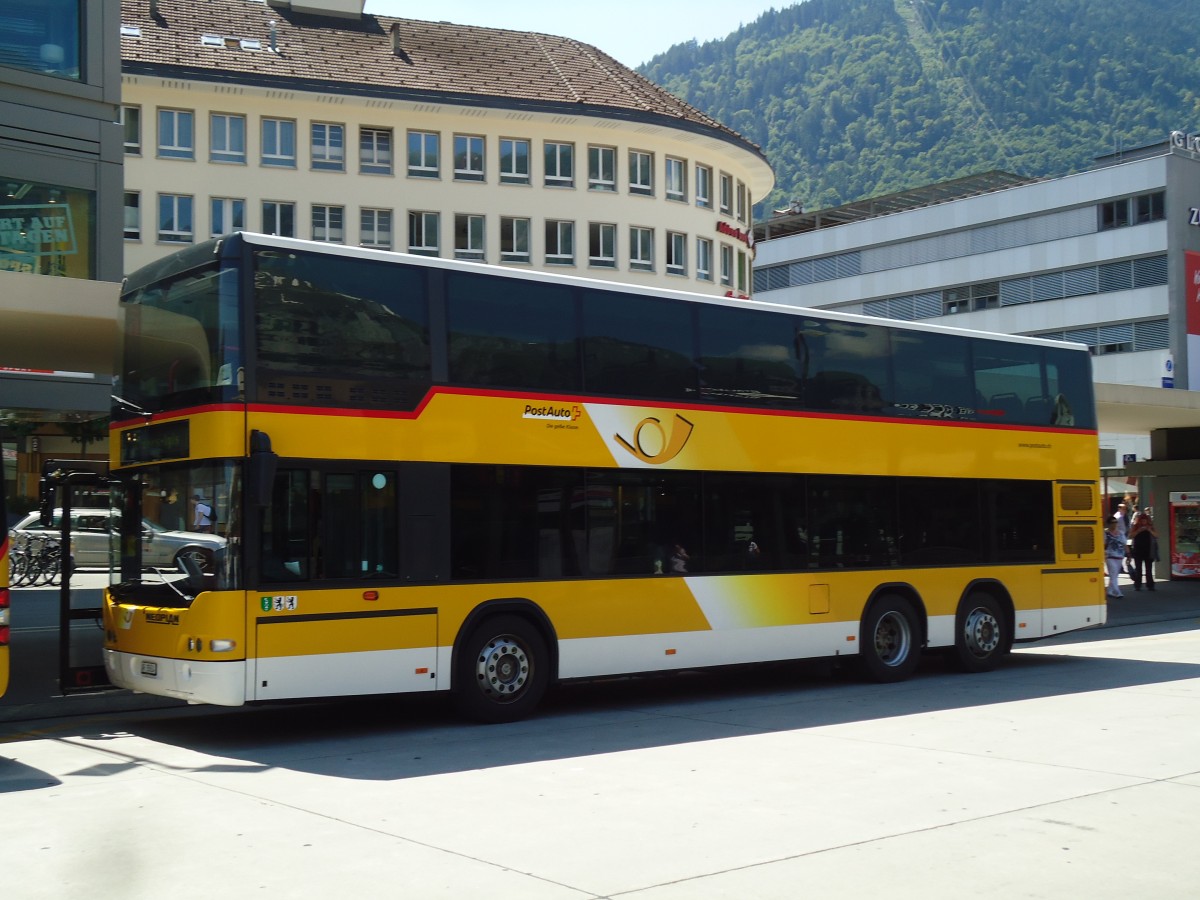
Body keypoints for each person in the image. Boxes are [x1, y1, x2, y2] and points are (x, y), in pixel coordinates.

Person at [1128, 512, 1158, 592]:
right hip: (1138, 550)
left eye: (1145, 520)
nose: (1143, 522)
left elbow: (1156, 535)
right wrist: (1139, 530)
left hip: (1148, 550)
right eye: (1142, 520)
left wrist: (1149, 530)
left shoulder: (1150, 526)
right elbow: (1130, 536)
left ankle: (1150, 585)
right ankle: (1137, 585)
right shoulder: (1135, 526)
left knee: (1149, 569)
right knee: (1139, 569)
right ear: (1139, 521)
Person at [1104, 519, 1125, 599]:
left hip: (1119, 556)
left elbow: (1124, 544)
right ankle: (1117, 592)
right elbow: (1103, 545)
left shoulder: (1121, 533)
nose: (1115, 524)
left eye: (1116, 522)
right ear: (1109, 524)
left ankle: (1109, 591)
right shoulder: (1105, 533)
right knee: (1113, 574)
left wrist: (1129, 555)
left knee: (1115, 575)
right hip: (1109, 556)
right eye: (1113, 522)